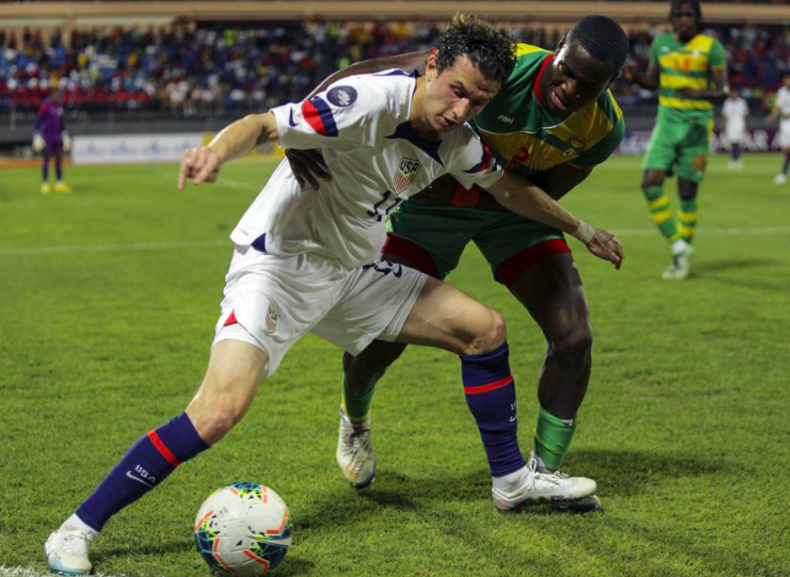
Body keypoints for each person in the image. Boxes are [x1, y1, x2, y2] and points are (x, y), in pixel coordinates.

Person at [44, 17, 624, 576]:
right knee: (217, 412)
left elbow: (512, 191)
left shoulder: (457, 141)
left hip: (354, 272)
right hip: (280, 269)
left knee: (484, 330)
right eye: (456, 91)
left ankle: (512, 482)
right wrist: (215, 151)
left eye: (479, 102)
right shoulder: (367, 101)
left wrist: (582, 230)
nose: (461, 111)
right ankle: (77, 528)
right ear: (431, 67)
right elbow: (262, 125)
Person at [288, 15, 628, 511]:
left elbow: (544, 193)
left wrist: (572, 225)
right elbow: (371, 73)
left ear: (611, 84)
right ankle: (354, 420)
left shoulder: (604, 129)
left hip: (515, 211)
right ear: (558, 48)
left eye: (588, 85)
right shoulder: (505, 67)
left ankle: (544, 472)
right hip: (434, 206)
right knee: (381, 339)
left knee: (574, 335)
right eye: (567, 71)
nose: (569, 89)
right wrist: (304, 120)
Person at [624, 0, 728, 280]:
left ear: (697, 18)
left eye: (689, 14)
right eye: (678, 14)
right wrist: (636, 79)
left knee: (687, 193)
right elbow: (654, 81)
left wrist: (698, 93)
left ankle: (680, 258)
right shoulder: (661, 43)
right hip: (667, 124)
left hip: (697, 128)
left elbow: (723, 91)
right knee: (650, 183)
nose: (683, 19)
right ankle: (678, 245)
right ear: (671, 19)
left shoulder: (711, 47)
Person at [32, 89, 72, 194]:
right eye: (56, 96)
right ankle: (45, 183)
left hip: (57, 136)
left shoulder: (60, 107)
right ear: (52, 96)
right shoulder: (46, 106)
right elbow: (38, 120)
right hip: (47, 136)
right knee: (46, 159)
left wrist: (65, 135)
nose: (58, 98)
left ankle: (59, 183)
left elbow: (62, 123)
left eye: (59, 96)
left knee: (59, 159)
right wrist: (36, 134)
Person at [766, 74, 790, 184]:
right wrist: (772, 116)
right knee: (787, 149)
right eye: (786, 80)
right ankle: (784, 174)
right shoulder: (781, 92)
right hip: (784, 122)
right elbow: (778, 107)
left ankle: (783, 174)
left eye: (789, 80)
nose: (787, 82)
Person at [721, 88, 748, 169]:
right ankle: (733, 158)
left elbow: (745, 115)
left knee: (738, 142)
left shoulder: (742, 102)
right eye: (733, 93)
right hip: (730, 124)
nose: (734, 94)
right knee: (732, 142)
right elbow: (725, 115)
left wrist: (745, 125)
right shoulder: (727, 103)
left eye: (735, 93)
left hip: (739, 123)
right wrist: (723, 125)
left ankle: (737, 159)